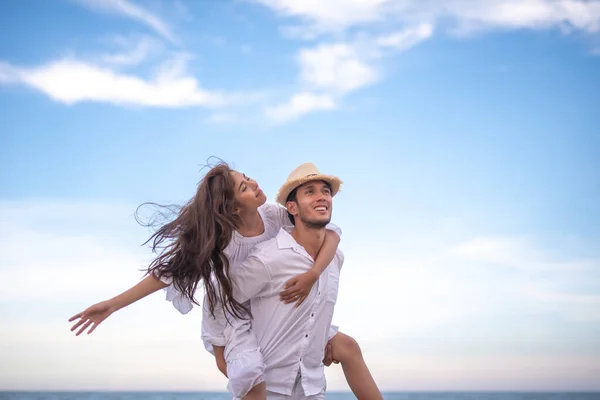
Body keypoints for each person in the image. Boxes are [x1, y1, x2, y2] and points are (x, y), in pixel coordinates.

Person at [68, 161, 382, 400]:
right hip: (230, 311)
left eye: (247, 178)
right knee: (247, 373)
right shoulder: (222, 242)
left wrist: (313, 276)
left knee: (346, 346)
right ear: (233, 206)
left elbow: (329, 234)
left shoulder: (275, 215)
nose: (254, 184)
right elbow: (172, 276)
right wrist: (111, 304)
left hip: (267, 301)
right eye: (245, 187)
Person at [222, 162, 352, 399]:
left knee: (350, 347)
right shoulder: (268, 258)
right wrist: (225, 356)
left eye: (325, 191)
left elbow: (333, 235)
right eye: (310, 191)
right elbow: (222, 302)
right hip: (267, 387)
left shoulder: (335, 258)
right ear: (291, 207)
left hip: (312, 386)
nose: (322, 197)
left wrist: (320, 338)